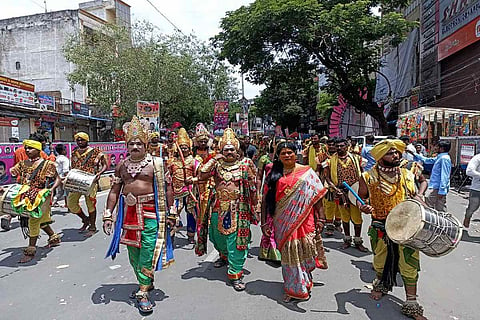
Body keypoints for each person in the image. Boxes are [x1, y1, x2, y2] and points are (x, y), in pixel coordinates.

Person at [103, 115, 174, 314]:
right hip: (129, 214)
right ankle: (146, 280)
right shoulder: (121, 166)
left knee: (148, 250)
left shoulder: (157, 164)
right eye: (131, 143)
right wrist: (108, 213)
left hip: (152, 212)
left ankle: (143, 291)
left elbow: (168, 188)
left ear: (145, 145)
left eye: (139, 143)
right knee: (133, 253)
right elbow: (115, 191)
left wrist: (172, 211)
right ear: (127, 145)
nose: (135, 146)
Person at [357, 139, 428, 320]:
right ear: (380, 156)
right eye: (390, 153)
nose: (395, 155)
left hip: (408, 227)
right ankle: (381, 286)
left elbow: (423, 181)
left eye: (397, 152)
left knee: (409, 265)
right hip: (381, 226)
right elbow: (361, 198)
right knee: (380, 261)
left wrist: (419, 195)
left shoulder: (408, 171)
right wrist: (363, 206)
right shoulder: (367, 177)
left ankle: (411, 303)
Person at [192, 128, 257, 291]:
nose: (229, 152)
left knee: (235, 242)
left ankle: (235, 273)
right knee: (217, 237)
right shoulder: (217, 165)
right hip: (218, 207)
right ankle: (223, 254)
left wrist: (255, 206)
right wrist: (215, 159)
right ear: (220, 150)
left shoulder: (246, 164)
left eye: (231, 149)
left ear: (237, 151)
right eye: (225, 149)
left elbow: (253, 186)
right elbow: (202, 174)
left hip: (238, 208)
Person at [262, 141, 328, 302]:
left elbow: (317, 197)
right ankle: (294, 288)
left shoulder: (307, 172)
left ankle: (305, 279)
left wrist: (321, 217)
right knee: (289, 254)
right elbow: (265, 200)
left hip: (306, 219)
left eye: (289, 152)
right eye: (283, 153)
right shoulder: (273, 174)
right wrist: (264, 222)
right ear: (278, 155)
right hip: (282, 220)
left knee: (305, 250)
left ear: (295, 153)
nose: (287, 155)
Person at [8, 137, 62, 263]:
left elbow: (58, 179)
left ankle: (31, 250)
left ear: (38, 150)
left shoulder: (48, 164)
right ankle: (53, 237)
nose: (27, 150)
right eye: (26, 148)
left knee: (33, 220)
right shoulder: (22, 163)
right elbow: (13, 174)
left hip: (41, 196)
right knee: (41, 220)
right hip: (25, 194)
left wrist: (52, 189)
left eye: (30, 148)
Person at [325, 138, 367, 251]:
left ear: (347, 146)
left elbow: (363, 175)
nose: (339, 148)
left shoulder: (357, 158)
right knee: (345, 217)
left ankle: (358, 240)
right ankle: (347, 239)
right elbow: (327, 178)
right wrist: (334, 188)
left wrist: (363, 190)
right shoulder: (329, 161)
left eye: (341, 146)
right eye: (337, 146)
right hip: (340, 192)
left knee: (357, 218)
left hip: (355, 191)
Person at [67, 132, 108, 237]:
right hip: (77, 181)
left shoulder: (96, 152)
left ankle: (93, 226)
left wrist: (99, 173)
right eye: (78, 140)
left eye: (82, 140)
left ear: (87, 140)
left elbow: (105, 165)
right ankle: (85, 219)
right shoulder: (74, 152)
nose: (80, 142)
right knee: (71, 203)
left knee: (90, 203)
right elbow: (73, 166)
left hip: (90, 181)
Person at [166, 128, 200, 245]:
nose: (184, 148)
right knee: (172, 214)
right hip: (175, 192)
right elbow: (167, 175)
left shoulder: (194, 161)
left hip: (190, 191)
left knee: (191, 214)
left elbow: (200, 177)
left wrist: (193, 180)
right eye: (181, 146)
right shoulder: (172, 162)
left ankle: (191, 235)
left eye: (186, 146)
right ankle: (171, 234)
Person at [413, 140, 452, 212]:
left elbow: (445, 175)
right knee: (436, 207)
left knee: (429, 207)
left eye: (437, 146)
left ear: (442, 148)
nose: (435, 148)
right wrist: (414, 154)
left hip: (436, 188)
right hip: (435, 187)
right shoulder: (440, 157)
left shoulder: (444, 158)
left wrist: (442, 191)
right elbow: (427, 160)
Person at [317, 138, 342, 236]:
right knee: (329, 205)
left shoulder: (342, 156)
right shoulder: (321, 156)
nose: (331, 146)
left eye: (333, 145)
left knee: (339, 206)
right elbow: (318, 169)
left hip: (341, 184)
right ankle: (329, 226)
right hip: (327, 184)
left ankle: (338, 223)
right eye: (329, 145)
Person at [463, 152, 480, 228]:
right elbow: (469, 171)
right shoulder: (477, 158)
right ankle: (467, 216)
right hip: (477, 188)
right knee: (473, 207)